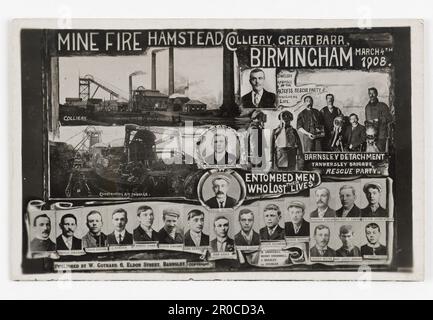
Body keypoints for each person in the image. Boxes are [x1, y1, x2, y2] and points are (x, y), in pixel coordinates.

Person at [364, 87, 393, 151]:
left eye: (373, 93)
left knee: (380, 155)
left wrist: (379, 120)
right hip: (370, 136)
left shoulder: (383, 106)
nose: (371, 95)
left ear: (376, 94)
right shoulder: (367, 107)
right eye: (370, 93)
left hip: (381, 136)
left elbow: (390, 118)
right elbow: (367, 120)